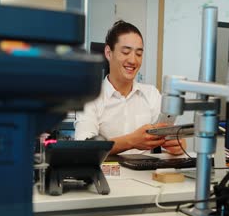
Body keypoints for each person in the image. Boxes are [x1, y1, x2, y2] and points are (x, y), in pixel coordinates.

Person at [74, 20, 186, 155]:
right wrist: (131, 141)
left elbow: (171, 136)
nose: (133, 60)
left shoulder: (151, 94)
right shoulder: (90, 97)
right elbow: (84, 148)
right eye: (126, 52)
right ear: (109, 53)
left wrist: (178, 144)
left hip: (146, 174)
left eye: (139, 54)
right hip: (108, 174)